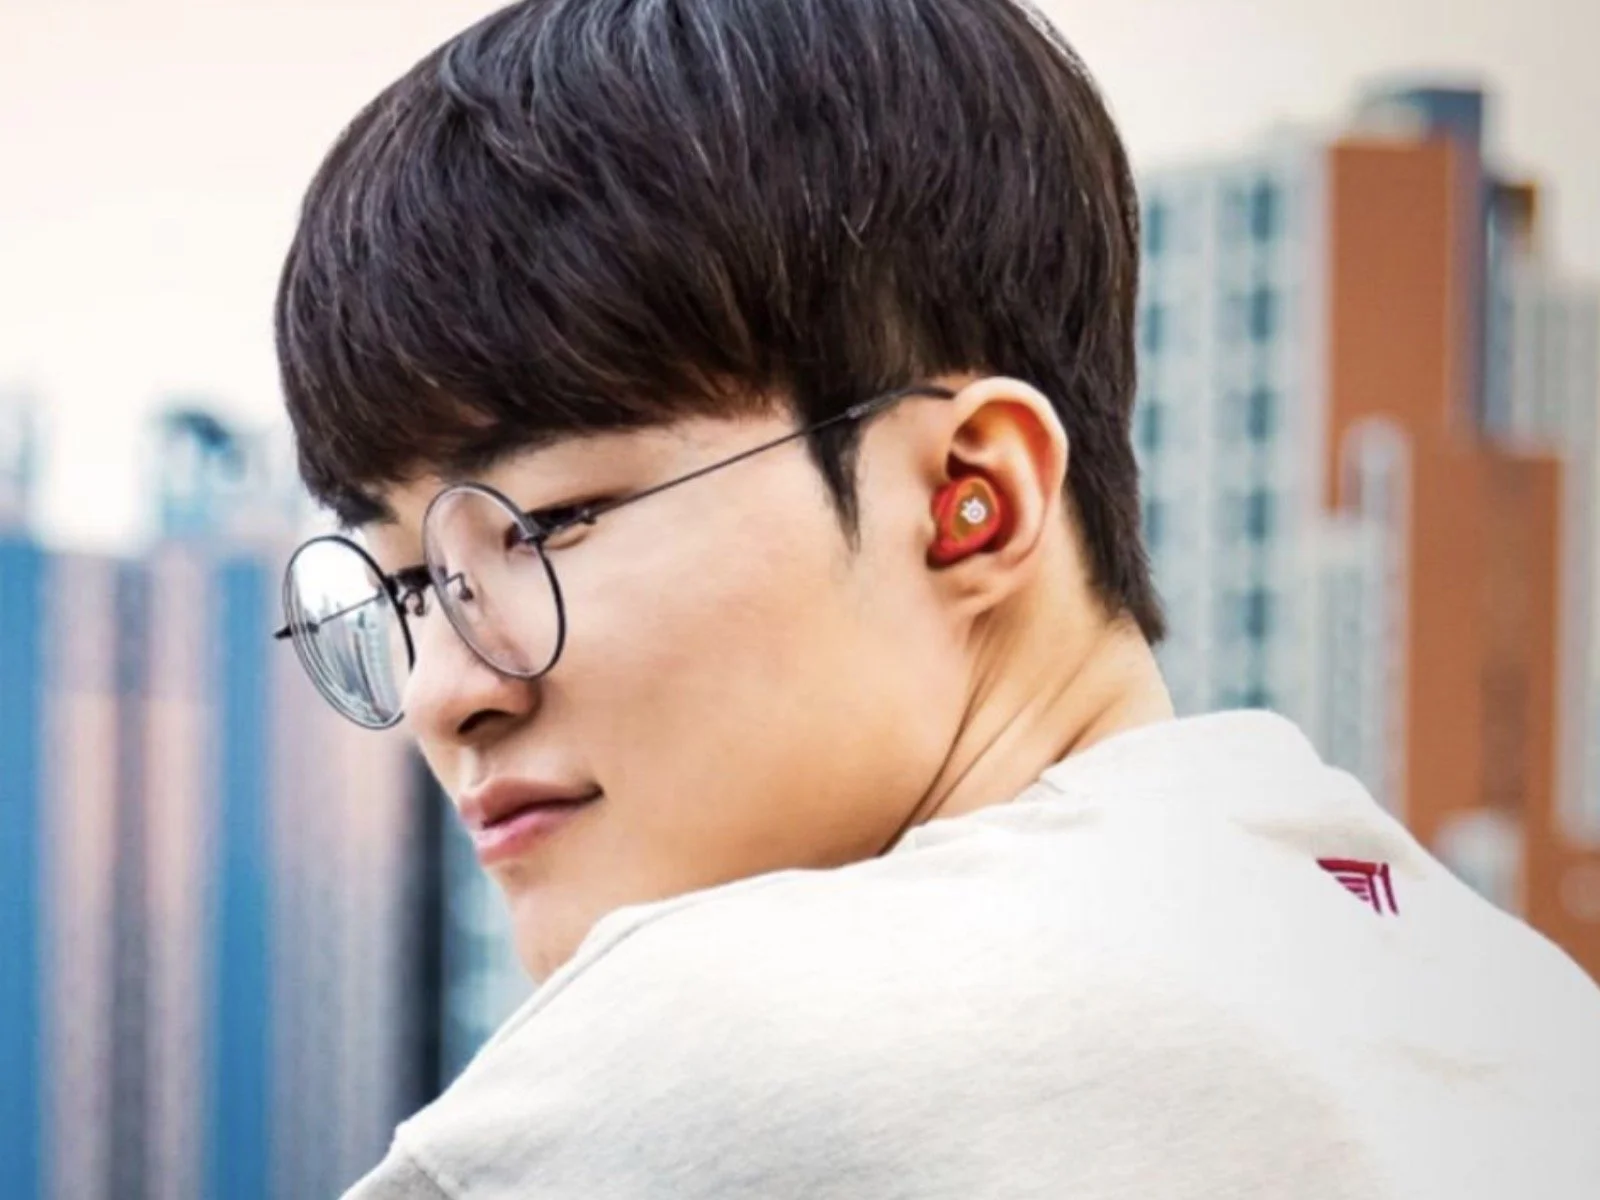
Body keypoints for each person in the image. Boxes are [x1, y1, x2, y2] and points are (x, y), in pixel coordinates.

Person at [271, 0, 1600, 1195]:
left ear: (972, 503)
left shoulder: (713, 1055)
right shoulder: (1515, 1010)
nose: (446, 694)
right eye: (408, 583)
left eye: (546, 525)